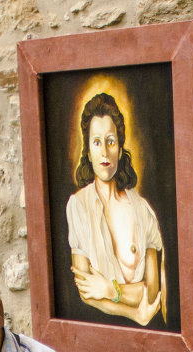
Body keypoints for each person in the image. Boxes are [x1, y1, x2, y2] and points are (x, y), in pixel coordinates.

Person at [66, 92, 164, 326]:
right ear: (88, 152)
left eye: (111, 141)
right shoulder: (78, 206)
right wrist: (134, 313)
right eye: (97, 142)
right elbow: (86, 293)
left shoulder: (142, 210)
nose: (105, 152)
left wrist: (111, 290)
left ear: (120, 149)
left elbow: (152, 294)